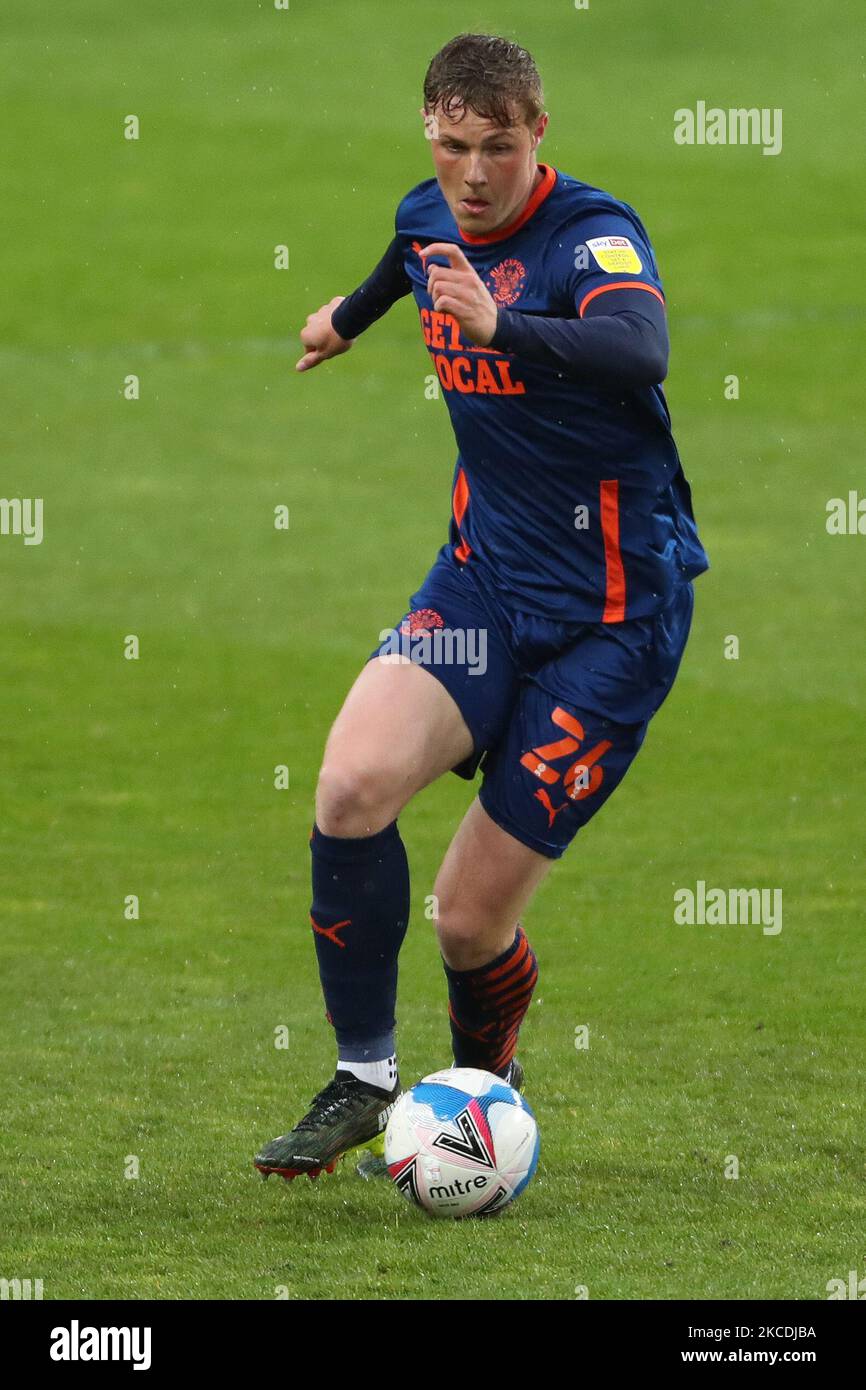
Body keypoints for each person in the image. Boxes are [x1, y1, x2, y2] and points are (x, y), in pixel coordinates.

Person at [255, 32, 708, 1182]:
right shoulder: (429, 211)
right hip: (485, 585)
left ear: (536, 133)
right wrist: (345, 321)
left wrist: (502, 328)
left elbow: (638, 346)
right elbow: (407, 254)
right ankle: (364, 1081)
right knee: (351, 784)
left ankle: (476, 1113)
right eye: (453, 145)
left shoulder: (590, 234)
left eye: (495, 148)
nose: (471, 173)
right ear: (429, 132)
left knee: (467, 921)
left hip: (610, 619)